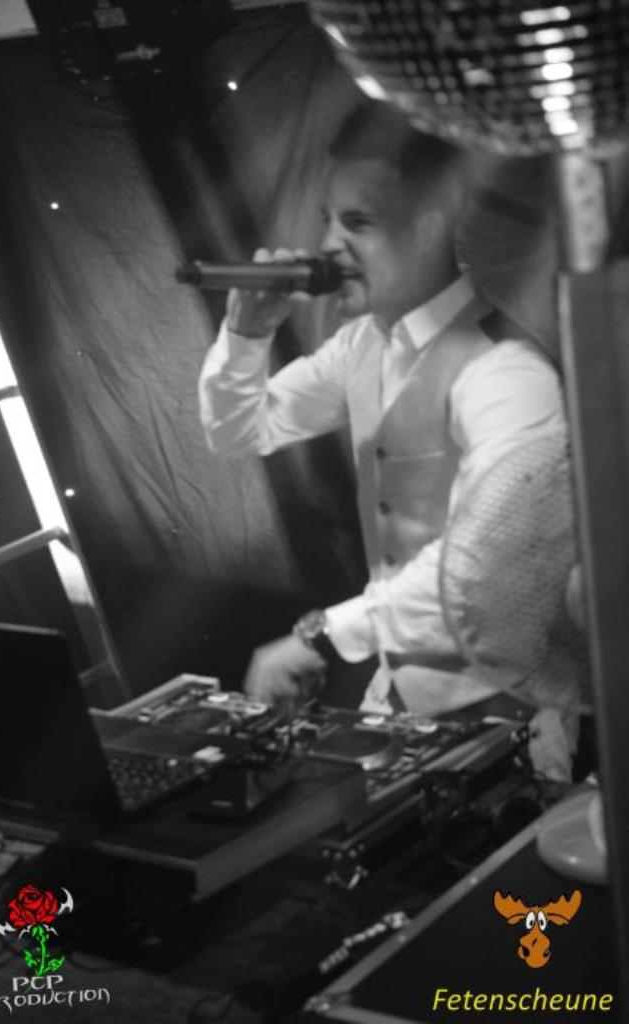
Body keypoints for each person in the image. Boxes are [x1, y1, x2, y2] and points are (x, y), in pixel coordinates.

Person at [197, 101, 576, 781]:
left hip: (508, 714)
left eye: (358, 223)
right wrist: (246, 335)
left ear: (429, 226)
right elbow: (239, 430)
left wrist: (321, 636)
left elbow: (479, 571)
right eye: (328, 220)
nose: (328, 245)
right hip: (401, 702)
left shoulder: (506, 373)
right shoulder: (360, 347)